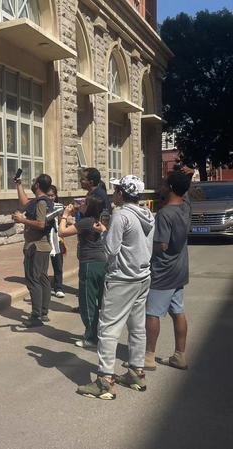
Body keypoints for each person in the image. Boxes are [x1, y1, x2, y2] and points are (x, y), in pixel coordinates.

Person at [77, 175, 154, 400]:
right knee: (137, 327)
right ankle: (136, 373)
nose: (113, 193)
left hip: (122, 278)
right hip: (142, 276)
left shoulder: (121, 216)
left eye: (116, 189)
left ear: (122, 193)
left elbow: (111, 249)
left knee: (108, 329)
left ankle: (105, 381)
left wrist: (104, 231)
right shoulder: (148, 214)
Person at [145, 169, 193, 370]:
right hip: (180, 270)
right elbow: (186, 192)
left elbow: (162, 245)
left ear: (171, 188)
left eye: (164, 183)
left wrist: (147, 247)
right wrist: (187, 177)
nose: (161, 186)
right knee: (178, 311)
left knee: (152, 313)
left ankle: (149, 357)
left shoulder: (165, 214)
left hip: (163, 271)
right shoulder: (186, 207)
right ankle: (179, 355)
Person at [59, 195, 107, 348]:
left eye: (84, 203)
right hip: (101, 262)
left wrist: (65, 215)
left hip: (89, 264)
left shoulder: (86, 222)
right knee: (101, 300)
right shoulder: (96, 220)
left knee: (87, 301)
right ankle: (101, 333)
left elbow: (62, 232)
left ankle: (91, 337)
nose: (81, 205)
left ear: (90, 207)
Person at [12, 173, 54, 327]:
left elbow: (41, 224)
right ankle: (43, 313)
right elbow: (25, 202)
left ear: (37, 185)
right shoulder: (41, 201)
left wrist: (22, 220)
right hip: (41, 247)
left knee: (34, 280)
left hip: (36, 247)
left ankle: (36, 316)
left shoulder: (41, 203)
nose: (32, 182)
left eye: (34, 180)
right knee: (42, 279)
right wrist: (19, 184)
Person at [47, 185, 65, 299]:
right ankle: (44, 287)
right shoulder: (42, 205)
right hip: (45, 239)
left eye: (52, 195)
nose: (50, 198)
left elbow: (63, 221)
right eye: (48, 195)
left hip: (57, 239)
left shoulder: (59, 206)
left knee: (58, 265)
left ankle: (58, 288)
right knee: (43, 266)